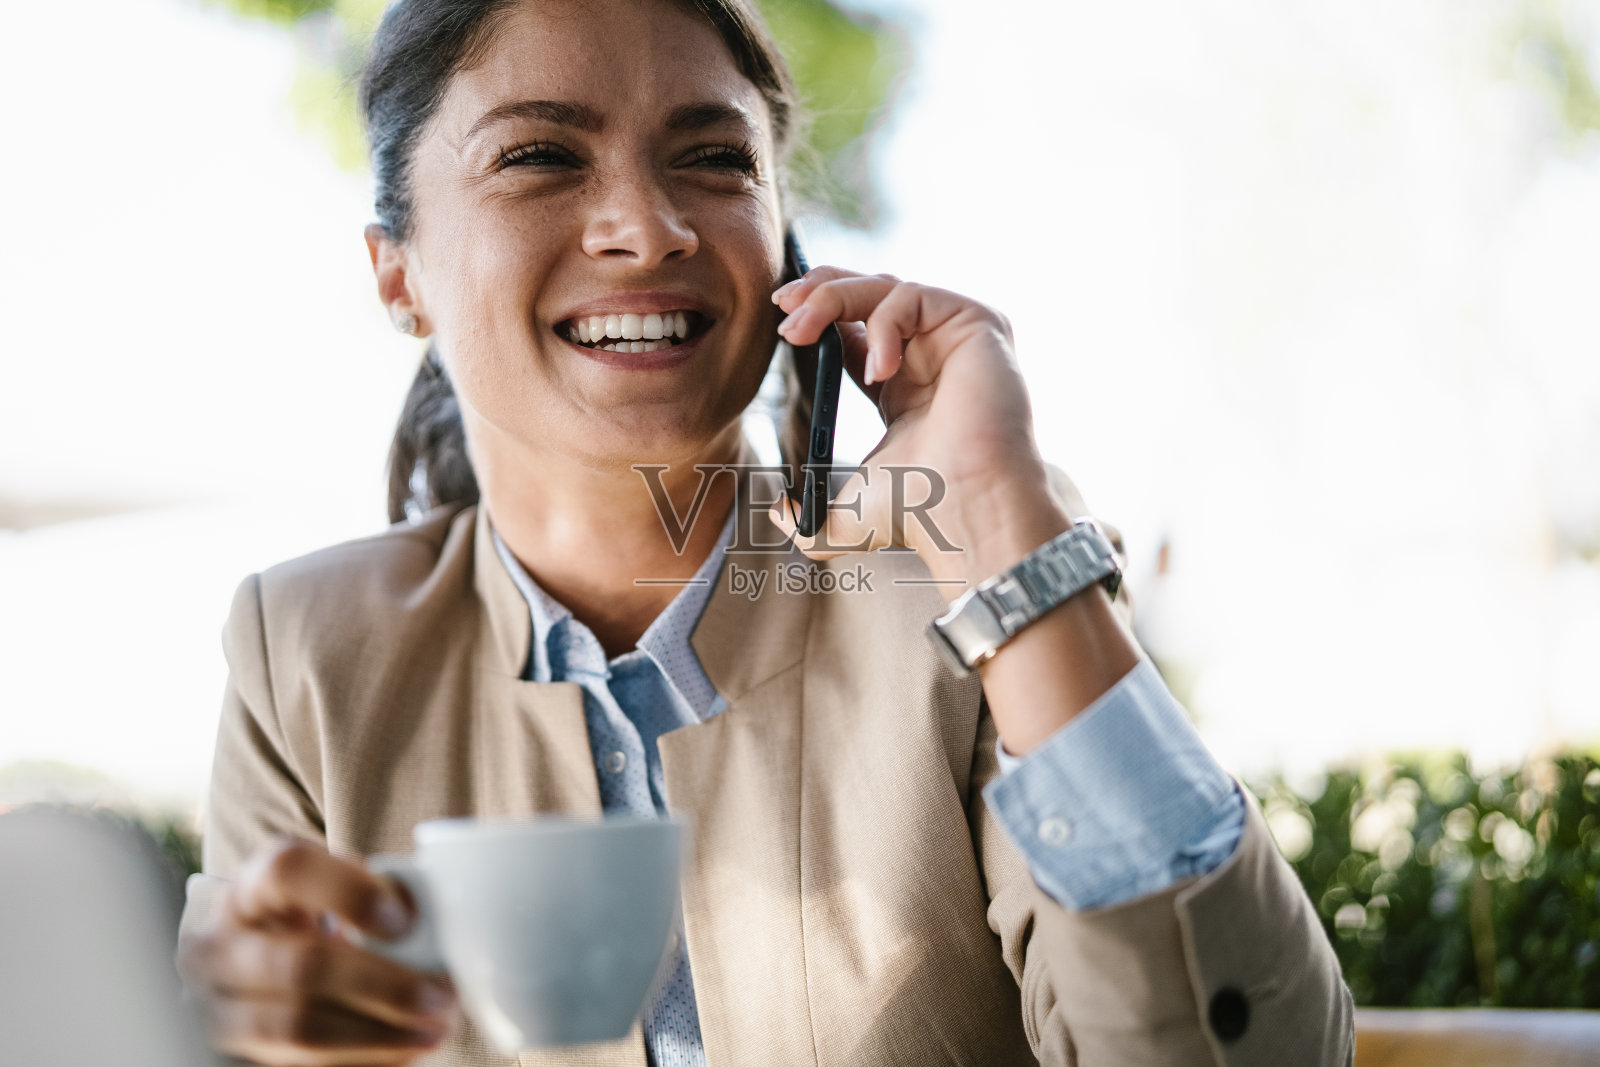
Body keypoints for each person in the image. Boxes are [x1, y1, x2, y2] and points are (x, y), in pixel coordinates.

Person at [175, 0, 1355, 1064]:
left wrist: (1000, 516)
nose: (648, 226)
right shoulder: (303, 654)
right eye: (539, 155)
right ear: (398, 276)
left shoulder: (969, 593)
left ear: (785, 254)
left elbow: (1256, 1054)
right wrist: (246, 1026)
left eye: (714, 159)